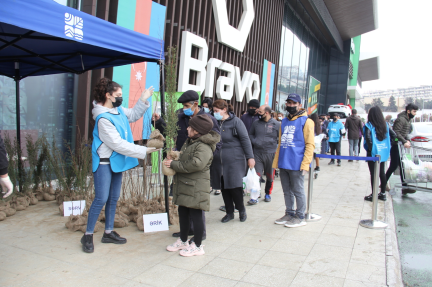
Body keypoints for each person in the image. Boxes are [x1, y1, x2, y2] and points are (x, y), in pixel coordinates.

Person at [81, 78, 155, 253]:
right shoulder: (102, 119)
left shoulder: (117, 109)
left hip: (117, 161)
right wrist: (143, 150)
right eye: (119, 95)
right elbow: (118, 144)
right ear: (108, 95)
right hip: (104, 162)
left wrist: (143, 100)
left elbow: (133, 115)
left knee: (113, 198)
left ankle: (108, 232)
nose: (121, 98)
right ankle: (88, 235)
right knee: (101, 198)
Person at [165, 115, 220, 257]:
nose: (187, 128)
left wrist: (173, 165)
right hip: (186, 184)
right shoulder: (191, 141)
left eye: (190, 126)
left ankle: (198, 245)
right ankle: (183, 240)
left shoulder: (204, 146)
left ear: (197, 131)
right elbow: (187, 157)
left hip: (196, 186)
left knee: (196, 215)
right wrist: (175, 156)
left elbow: (196, 164)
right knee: (183, 212)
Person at [172, 90, 222, 241]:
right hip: (183, 164)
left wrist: (204, 160)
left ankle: (200, 233)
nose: (184, 108)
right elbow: (178, 137)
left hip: (198, 165)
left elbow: (216, 143)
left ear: (195, 104)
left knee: (196, 200)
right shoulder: (181, 117)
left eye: (187, 105)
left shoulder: (209, 120)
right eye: (182, 106)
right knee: (185, 200)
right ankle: (187, 230)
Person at [273, 93, 314, 228]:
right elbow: (280, 143)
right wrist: (276, 162)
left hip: (297, 163)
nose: (290, 106)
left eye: (293, 103)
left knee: (298, 190)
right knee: (286, 190)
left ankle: (300, 216)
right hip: (284, 162)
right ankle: (289, 213)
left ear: (300, 105)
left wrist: (305, 164)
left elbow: (310, 144)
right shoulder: (283, 121)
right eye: (288, 103)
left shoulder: (306, 121)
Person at [212, 99, 255, 223]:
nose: (214, 113)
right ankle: (229, 212)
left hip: (234, 159)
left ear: (224, 110)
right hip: (219, 161)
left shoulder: (236, 122)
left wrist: (250, 157)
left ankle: (241, 210)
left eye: (216, 111)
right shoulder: (215, 122)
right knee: (224, 187)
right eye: (213, 111)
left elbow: (245, 140)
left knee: (235, 187)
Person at [383, 103, 419, 194]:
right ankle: (383, 183)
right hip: (396, 145)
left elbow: (404, 133)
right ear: (408, 111)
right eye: (414, 111)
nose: (415, 113)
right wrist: (404, 141)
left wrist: (407, 140)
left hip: (400, 145)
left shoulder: (408, 120)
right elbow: (396, 133)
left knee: (402, 166)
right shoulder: (401, 119)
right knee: (394, 166)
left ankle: (404, 186)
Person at [248, 105, 280, 204]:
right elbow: (250, 134)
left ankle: (267, 194)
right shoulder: (256, 123)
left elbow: (280, 138)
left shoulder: (276, 124)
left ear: (267, 113)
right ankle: (255, 196)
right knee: (257, 176)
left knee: (270, 176)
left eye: (260, 112)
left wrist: (274, 145)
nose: (258, 113)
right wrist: (255, 141)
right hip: (257, 153)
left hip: (271, 154)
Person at [363, 106, 395, 201]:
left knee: (373, 173)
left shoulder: (369, 125)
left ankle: (374, 195)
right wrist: (389, 146)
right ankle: (383, 194)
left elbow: (368, 138)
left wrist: (371, 149)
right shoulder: (385, 124)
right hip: (383, 151)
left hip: (373, 153)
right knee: (382, 172)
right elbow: (394, 135)